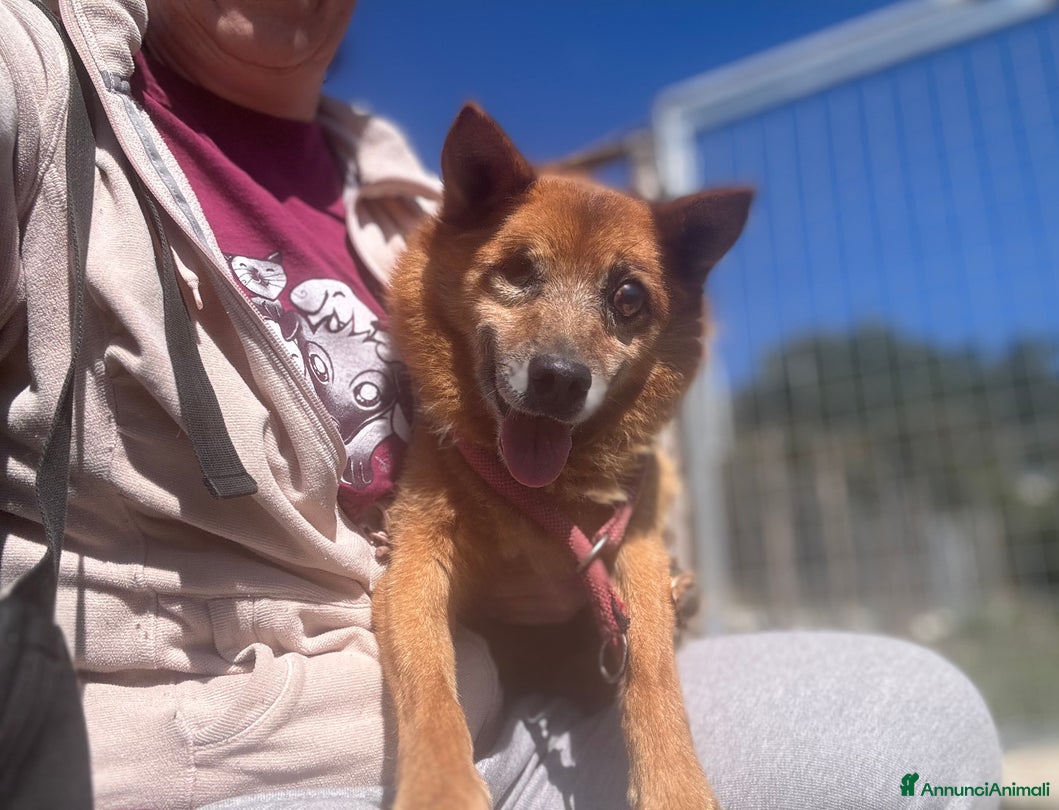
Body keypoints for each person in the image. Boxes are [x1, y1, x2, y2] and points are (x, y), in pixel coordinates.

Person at [0, 0, 1002, 807]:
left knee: (917, 726)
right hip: (221, 752)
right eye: (520, 278)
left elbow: (633, 471)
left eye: (619, 303)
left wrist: (601, 570)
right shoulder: (34, 78)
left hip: (521, 704)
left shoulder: (395, 190)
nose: (561, 357)